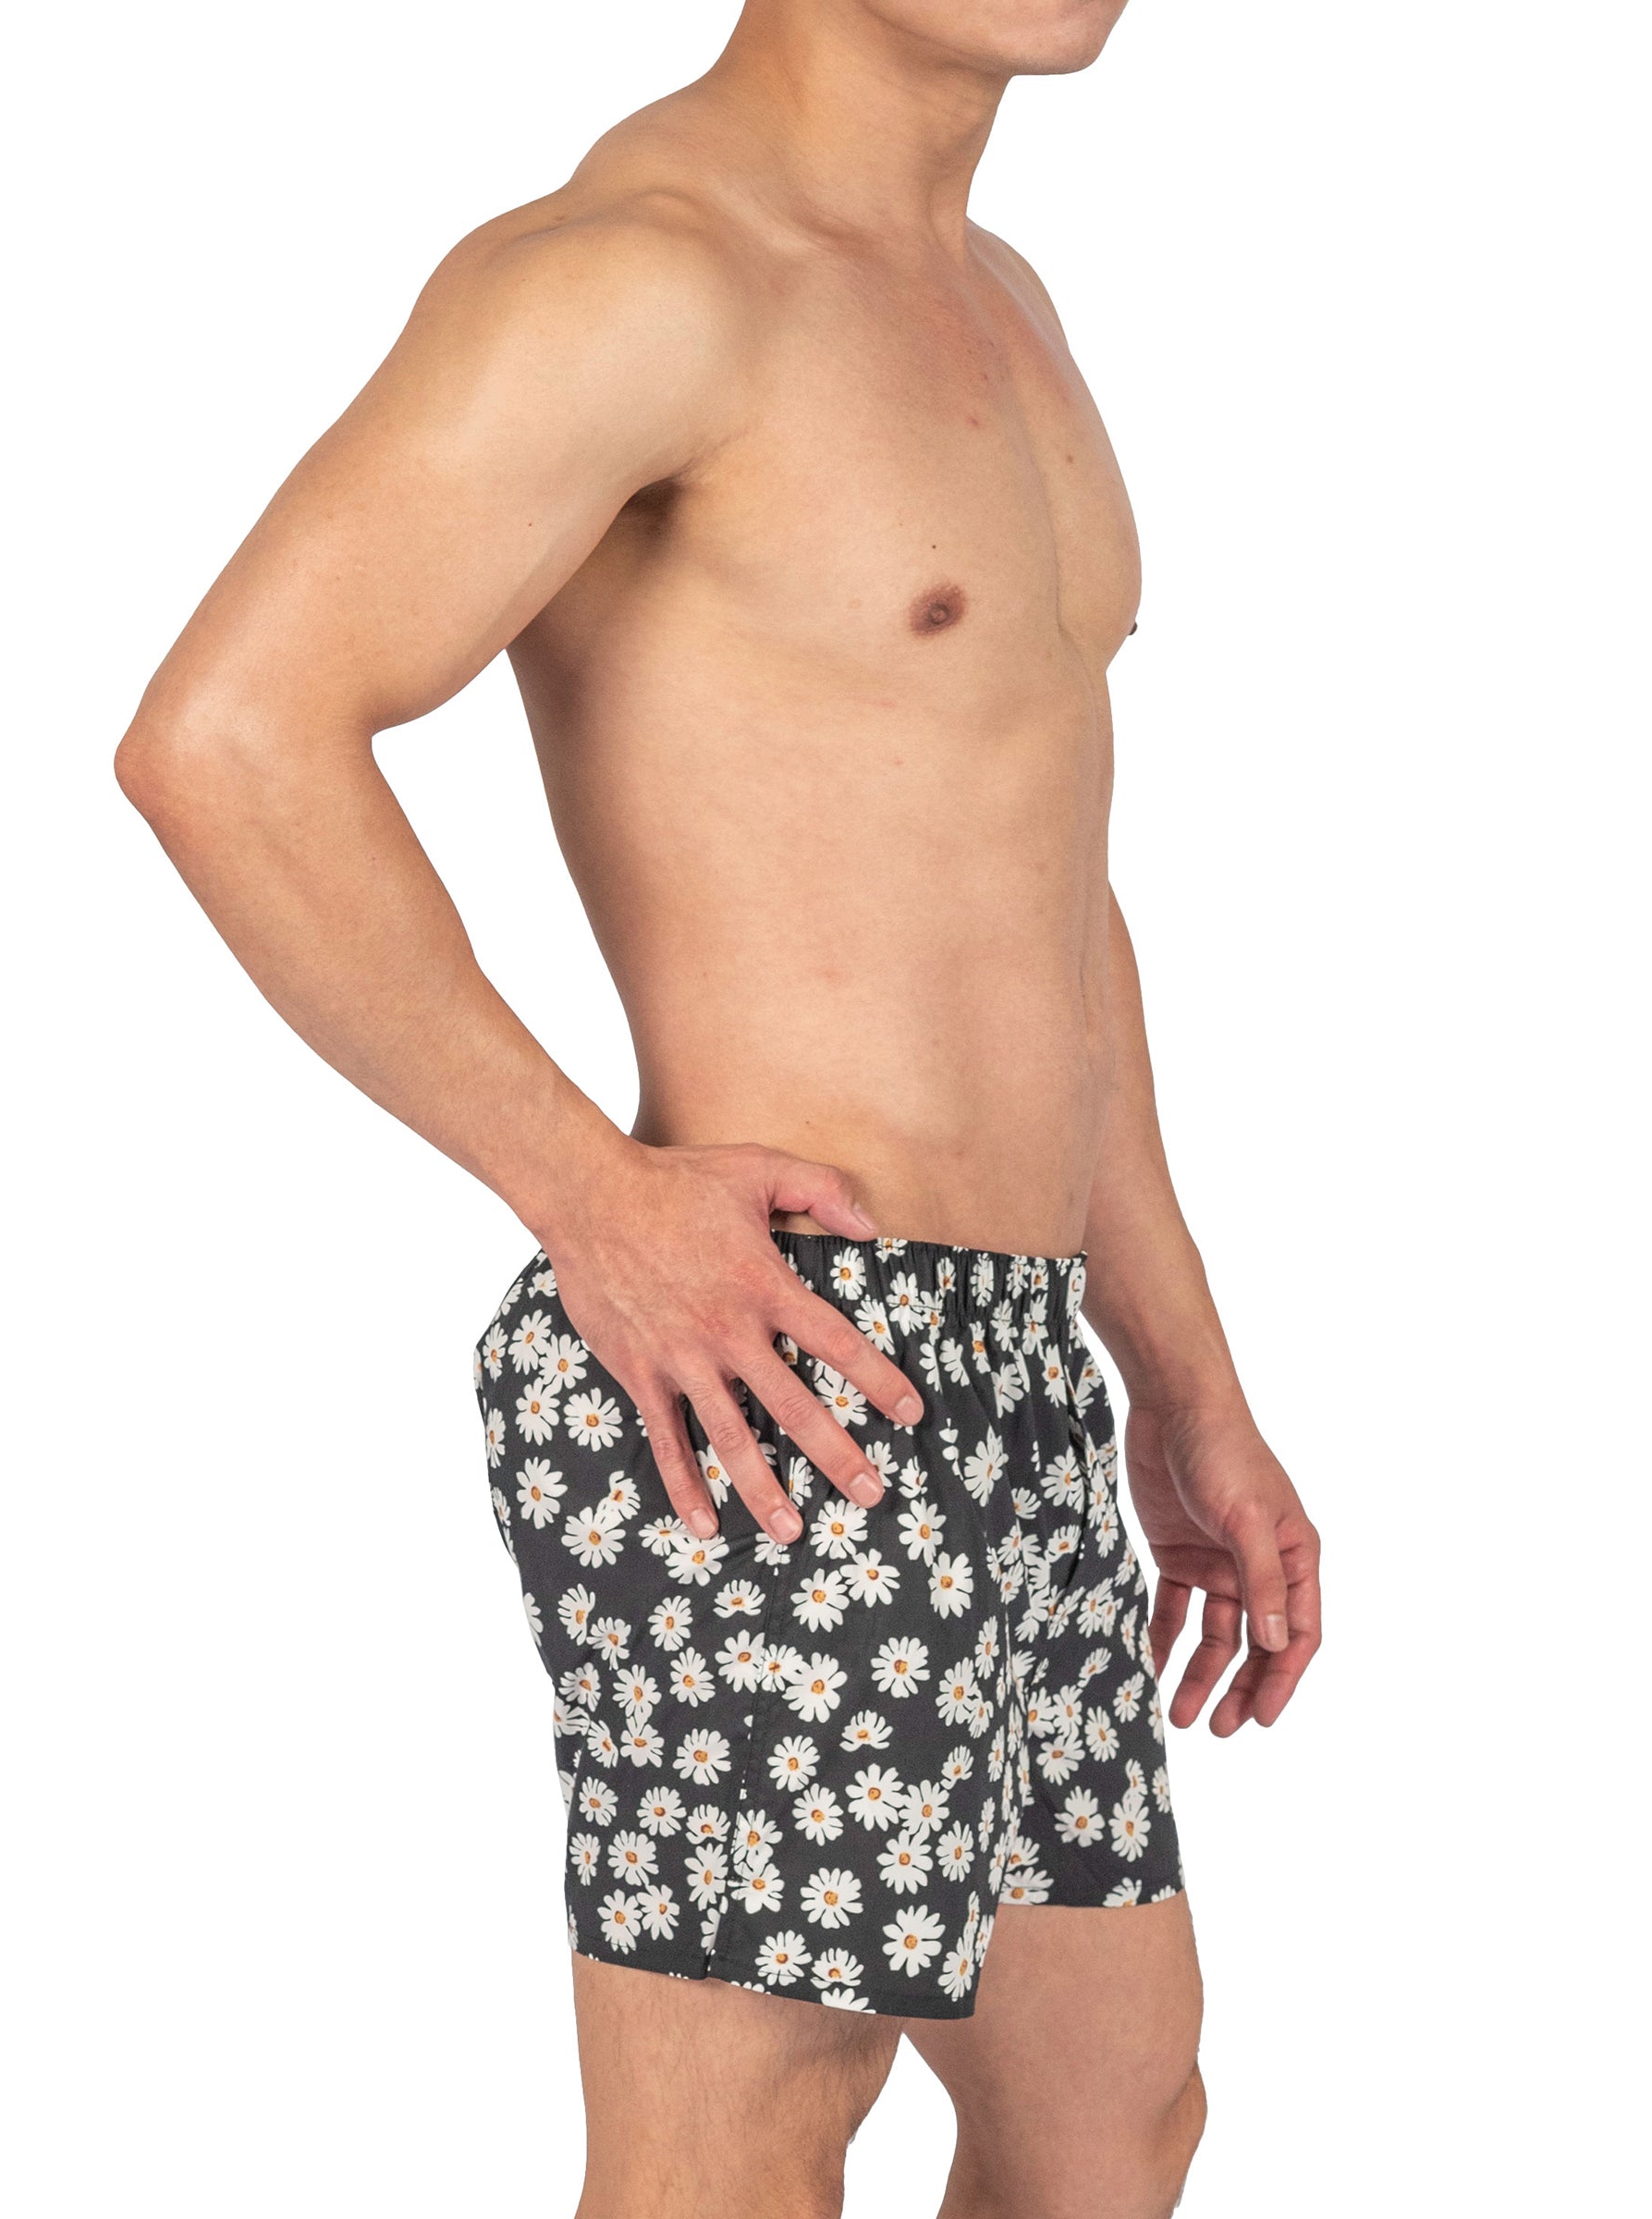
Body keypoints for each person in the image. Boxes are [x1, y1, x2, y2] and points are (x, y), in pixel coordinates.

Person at [116, 2, 1322, 2211]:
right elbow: (228, 738)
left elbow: (1045, 898)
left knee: (1111, 2104)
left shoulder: (1001, 303)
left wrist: (1183, 1376)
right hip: (766, 1351)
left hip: (1009, 1360)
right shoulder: (643, 277)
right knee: (745, 2137)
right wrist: (590, 1194)